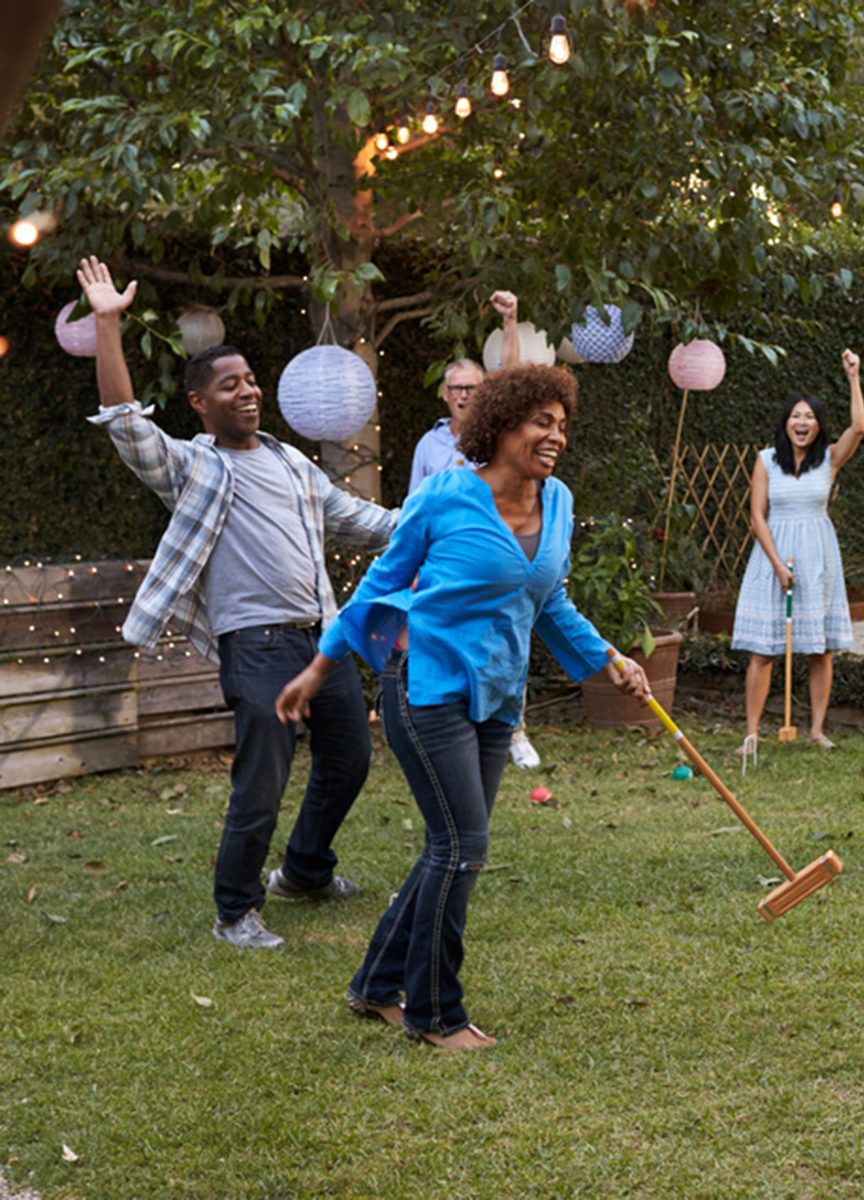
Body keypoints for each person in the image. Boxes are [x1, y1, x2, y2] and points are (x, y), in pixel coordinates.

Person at [276, 364, 650, 1051]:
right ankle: (435, 1014)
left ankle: (376, 985)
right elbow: (378, 587)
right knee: (461, 846)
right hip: (425, 685)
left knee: (450, 847)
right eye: (542, 422)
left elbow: (549, 599)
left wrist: (611, 660)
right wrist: (318, 668)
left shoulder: (557, 501)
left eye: (562, 425)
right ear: (501, 426)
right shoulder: (445, 496)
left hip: (499, 694)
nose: (555, 436)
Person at [78, 256, 399, 950]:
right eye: (230, 386)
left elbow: (356, 517)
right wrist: (109, 325)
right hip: (256, 647)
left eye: (251, 381)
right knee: (262, 782)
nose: (248, 392)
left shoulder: (289, 461)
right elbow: (127, 426)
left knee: (350, 762)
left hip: (325, 641)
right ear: (201, 402)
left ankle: (306, 872)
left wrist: (434, 516)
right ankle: (235, 909)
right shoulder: (198, 466)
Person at [407, 292, 542, 770]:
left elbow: (511, 379)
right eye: (456, 388)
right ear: (445, 394)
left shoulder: (499, 434)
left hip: (494, 557)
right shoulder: (429, 444)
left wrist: (510, 322)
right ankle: (453, 728)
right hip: (444, 565)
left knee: (506, 640)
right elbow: (412, 511)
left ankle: (515, 730)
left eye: (472, 387)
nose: (464, 394)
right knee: (448, 646)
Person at [731, 349, 864, 760]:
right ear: (785, 422)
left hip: (818, 556)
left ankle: (817, 730)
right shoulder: (766, 460)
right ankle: (751, 733)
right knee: (764, 649)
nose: (801, 423)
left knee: (820, 648)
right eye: (795, 416)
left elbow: (859, 427)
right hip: (772, 556)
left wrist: (854, 377)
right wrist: (775, 564)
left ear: (819, 425)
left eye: (809, 417)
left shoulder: (829, 461)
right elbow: (757, 515)